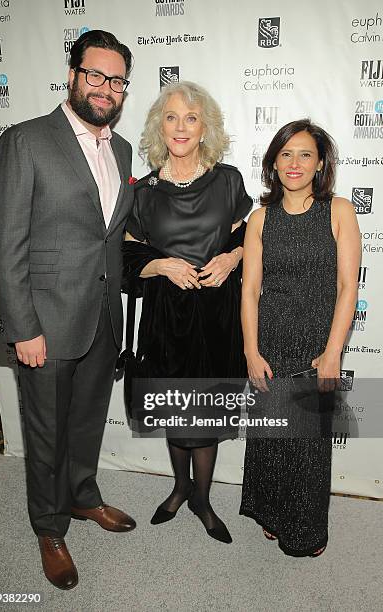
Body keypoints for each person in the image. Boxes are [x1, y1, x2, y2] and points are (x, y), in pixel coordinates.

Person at [0, 30, 136, 590]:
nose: (105, 88)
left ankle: (82, 498)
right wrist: (22, 326)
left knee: (86, 420)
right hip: (45, 323)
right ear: (72, 76)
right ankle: (49, 529)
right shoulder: (25, 140)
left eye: (116, 80)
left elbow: (108, 238)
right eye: (95, 75)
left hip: (100, 316)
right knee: (46, 432)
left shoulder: (120, 150)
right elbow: (4, 243)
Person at [123, 81, 252, 544]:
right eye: (172, 117)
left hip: (216, 313)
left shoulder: (228, 179)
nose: (181, 127)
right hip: (165, 315)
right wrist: (158, 264)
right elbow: (125, 252)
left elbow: (246, 239)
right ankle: (180, 489)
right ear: (161, 125)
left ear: (205, 128)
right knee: (175, 410)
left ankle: (203, 498)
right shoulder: (143, 191)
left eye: (191, 118)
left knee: (208, 413)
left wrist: (232, 258)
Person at [239, 119, 361, 556]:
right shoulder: (260, 219)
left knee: (309, 446)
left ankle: (308, 531)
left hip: (315, 347)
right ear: (273, 161)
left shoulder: (339, 211)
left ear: (320, 162)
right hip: (270, 342)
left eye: (305, 154)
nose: (295, 163)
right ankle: (272, 513)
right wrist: (251, 351)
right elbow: (250, 290)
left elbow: (348, 287)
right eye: (286, 153)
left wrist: (333, 352)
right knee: (272, 438)